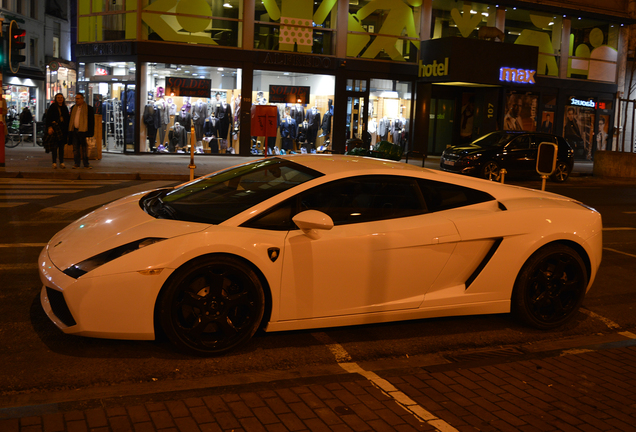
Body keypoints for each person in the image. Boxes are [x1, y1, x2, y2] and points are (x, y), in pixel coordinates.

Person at [68, 93, 95, 169]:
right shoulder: (73, 108)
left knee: (84, 149)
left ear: (83, 99)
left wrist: (90, 133)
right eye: (76, 98)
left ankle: (86, 164)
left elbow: (91, 121)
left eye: (78, 98)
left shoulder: (88, 108)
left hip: (84, 131)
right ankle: (77, 163)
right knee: (75, 149)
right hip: (75, 131)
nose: (77, 100)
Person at [46, 93, 70, 169]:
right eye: (58, 97)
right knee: (54, 147)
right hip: (55, 129)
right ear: (56, 99)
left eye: (61, 97)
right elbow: (48, 118)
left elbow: (67, 119)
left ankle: (61, 162)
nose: (60, 99)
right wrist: (49, 127)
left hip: (62, 130)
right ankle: (54, 162)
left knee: (61, 147)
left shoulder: (65, 108)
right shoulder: (52, 107)